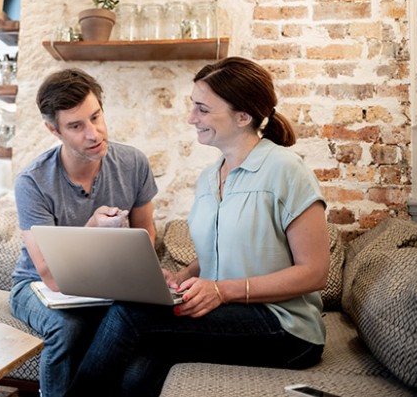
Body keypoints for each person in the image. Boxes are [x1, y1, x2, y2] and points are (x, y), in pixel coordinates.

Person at [69, 57, 331, 396]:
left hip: (285, 327)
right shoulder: (210, 177)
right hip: (230, 315)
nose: (192, 118)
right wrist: (182, 278)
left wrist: (221, 290)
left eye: (203, 109)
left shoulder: (286, 170)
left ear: (243, 116)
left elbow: (315, 273)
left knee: (129, 315)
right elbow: (218, 254)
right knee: (136, 372)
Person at [10, 68, 159, 397]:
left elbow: (147, 233)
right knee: (66, 328)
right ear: (54, 130)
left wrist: (133, 270)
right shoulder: (33, 182)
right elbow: (50, 276)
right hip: (34, 285)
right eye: (76, 126)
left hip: (107, 286)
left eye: (96, 117)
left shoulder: (133, 163)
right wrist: (92, 228)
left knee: (141, 329)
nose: (93, 134)